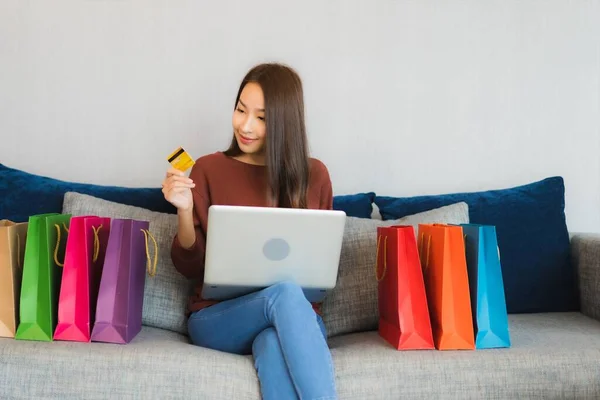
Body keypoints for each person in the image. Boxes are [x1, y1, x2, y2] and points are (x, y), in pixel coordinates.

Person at [162, 63, 338, 400]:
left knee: (272, 340)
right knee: (284, 293)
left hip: (295, 319)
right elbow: (189, 267)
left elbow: (324, 269)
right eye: (241, 110)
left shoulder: (314, 175)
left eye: (261, 117)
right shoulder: (209, 168)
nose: (245, 125)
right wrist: (184, 211)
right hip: (219, 317)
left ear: (284, 124)